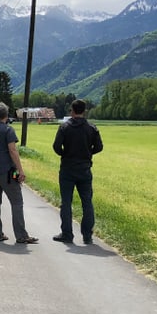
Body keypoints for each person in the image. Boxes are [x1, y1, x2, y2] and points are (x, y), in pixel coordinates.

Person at [0, 102, 38, 245]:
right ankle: (21, 235)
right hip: (7, 171)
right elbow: (13, 151)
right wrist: (20, 170)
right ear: (6, 115)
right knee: (17, 202)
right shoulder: (8, 130)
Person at [52, 99, 104, 244]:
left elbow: (56, 146)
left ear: (72, 111)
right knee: (87, 202)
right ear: (84, 111)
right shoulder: (92, 128)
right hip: (84, 168)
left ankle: (67, 234)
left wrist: (65, 154)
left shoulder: (65, 127)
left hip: (68, 168)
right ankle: (87, 235)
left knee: (66, 202)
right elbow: (99, 147)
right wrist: (88, 153)